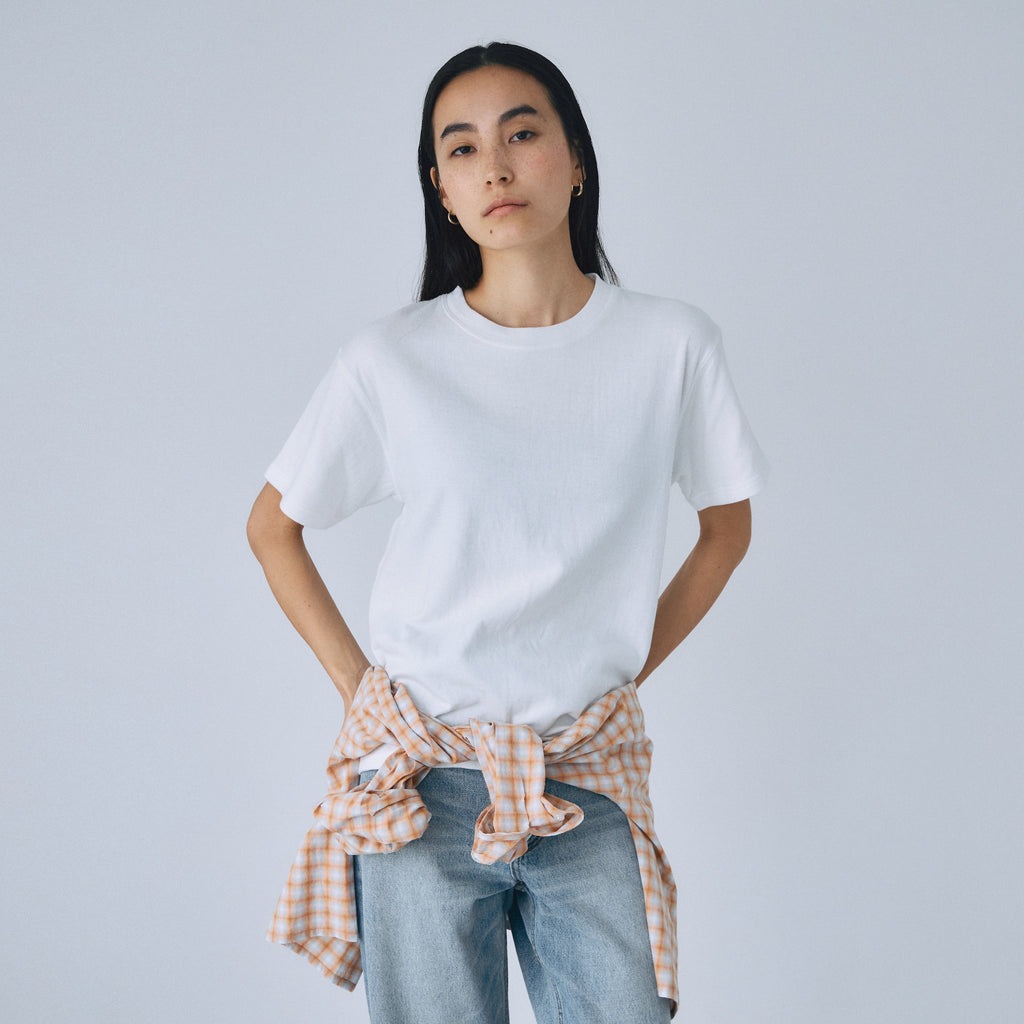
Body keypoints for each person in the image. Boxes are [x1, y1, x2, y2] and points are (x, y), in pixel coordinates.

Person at [247, 41, 768, 1024]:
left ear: (576, 161)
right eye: (461, 148)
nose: (494, 166)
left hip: (585, 774)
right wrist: (363, 693)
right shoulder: (391, 359)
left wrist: (618, 669)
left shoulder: (671, 345)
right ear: (441, 192)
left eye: (521, 134)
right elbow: (273, 527)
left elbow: (726, 530)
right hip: (422, 782)